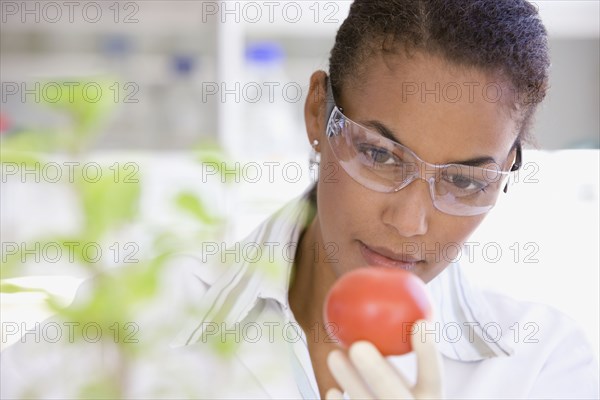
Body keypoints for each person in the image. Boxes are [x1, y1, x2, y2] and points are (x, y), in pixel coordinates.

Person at [2, 0, 598, 399]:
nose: (411, 222)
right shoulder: (140, 313)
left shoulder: (541, 365)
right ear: (319, 112)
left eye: (466, 182)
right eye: (381, 155)